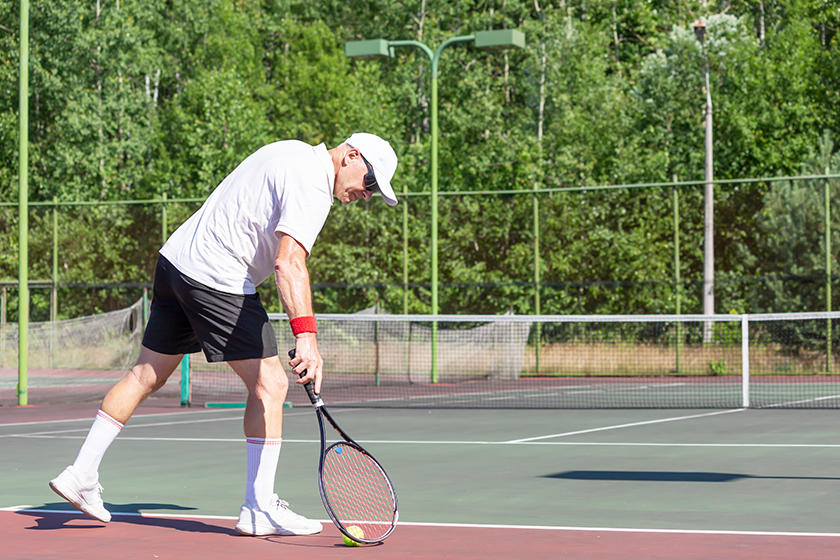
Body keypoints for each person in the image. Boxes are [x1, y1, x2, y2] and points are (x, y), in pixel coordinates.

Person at [48, 133, 399, 536]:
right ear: (352, 156)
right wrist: (307, 337)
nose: (367, 195)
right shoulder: (313, 183)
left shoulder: (290, 150)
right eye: (370, 184)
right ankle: (259, 507)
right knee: (271, 384)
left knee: (147, 373)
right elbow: (289, 264)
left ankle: (81, 472)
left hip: (176, 263)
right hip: (217, 275)